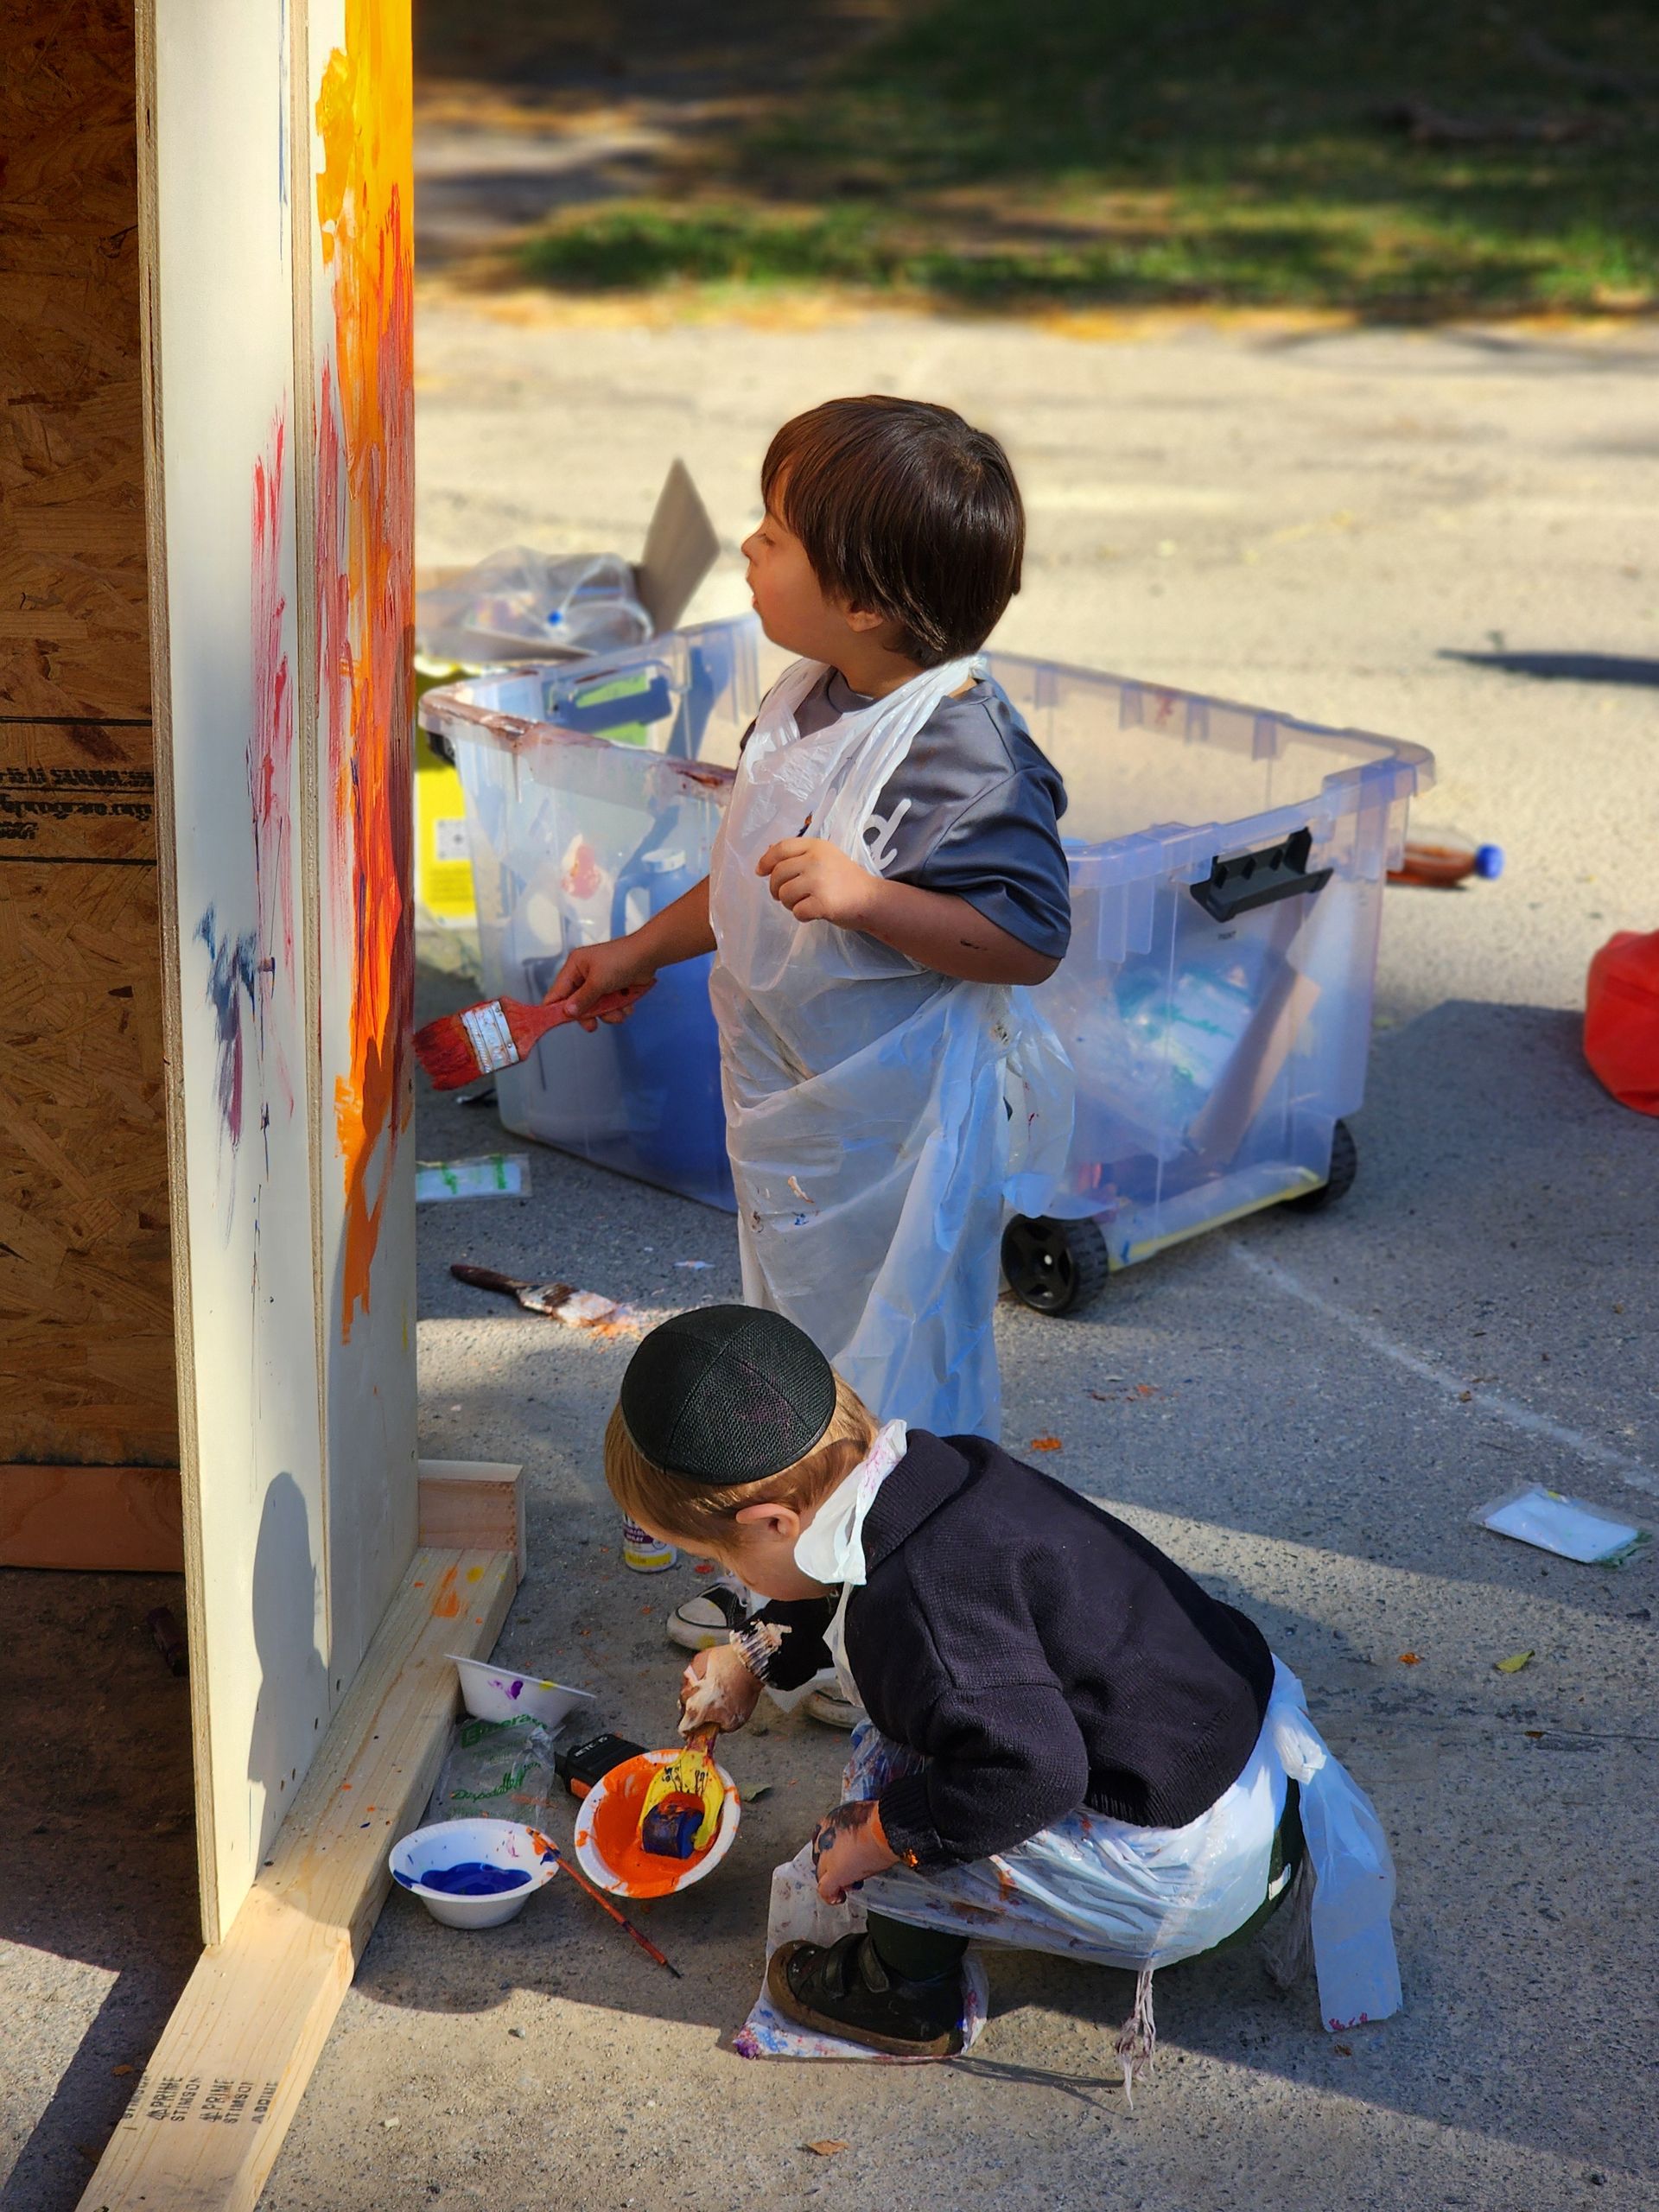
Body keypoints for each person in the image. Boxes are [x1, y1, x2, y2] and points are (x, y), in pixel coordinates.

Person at [605, 1306, 1403, 2070]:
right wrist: (747, 1657)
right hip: (1257, 1780)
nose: (725, 1579)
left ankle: (909, 1998)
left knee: (884, 1786)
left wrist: (879, 1836)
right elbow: (836, 1584)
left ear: (776, 1522)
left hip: (1194, 1874)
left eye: (717, 1561)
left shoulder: (915, 1610)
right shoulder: (931, 1473)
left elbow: (1035, 1772)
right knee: (930, 1737)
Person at [542, 396, 1074, 1446]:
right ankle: (799, 1513)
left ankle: (898, 1541)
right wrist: (635, 950)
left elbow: (1030, 939)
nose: (748, 543)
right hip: (796, 1101)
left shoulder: (964, 758)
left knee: (907, 1342)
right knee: (803, 1327)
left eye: (775, 535)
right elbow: (755, 875)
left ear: (866, 601)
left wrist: (869, 897)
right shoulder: (807, 696)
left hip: (905, 1126)